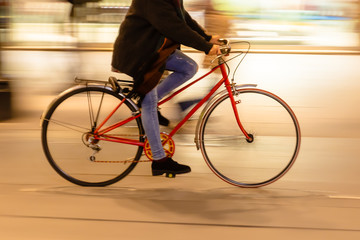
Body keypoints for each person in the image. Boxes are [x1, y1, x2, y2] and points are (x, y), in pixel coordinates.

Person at [111, 0, 222, 177]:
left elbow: (182, 17)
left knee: (188, 67)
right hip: (139, 54)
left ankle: (149, 103)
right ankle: (159, 160)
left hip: (153, 50)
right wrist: (205, 47)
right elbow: (174, 27)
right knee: (149, 100)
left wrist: (207, 38)